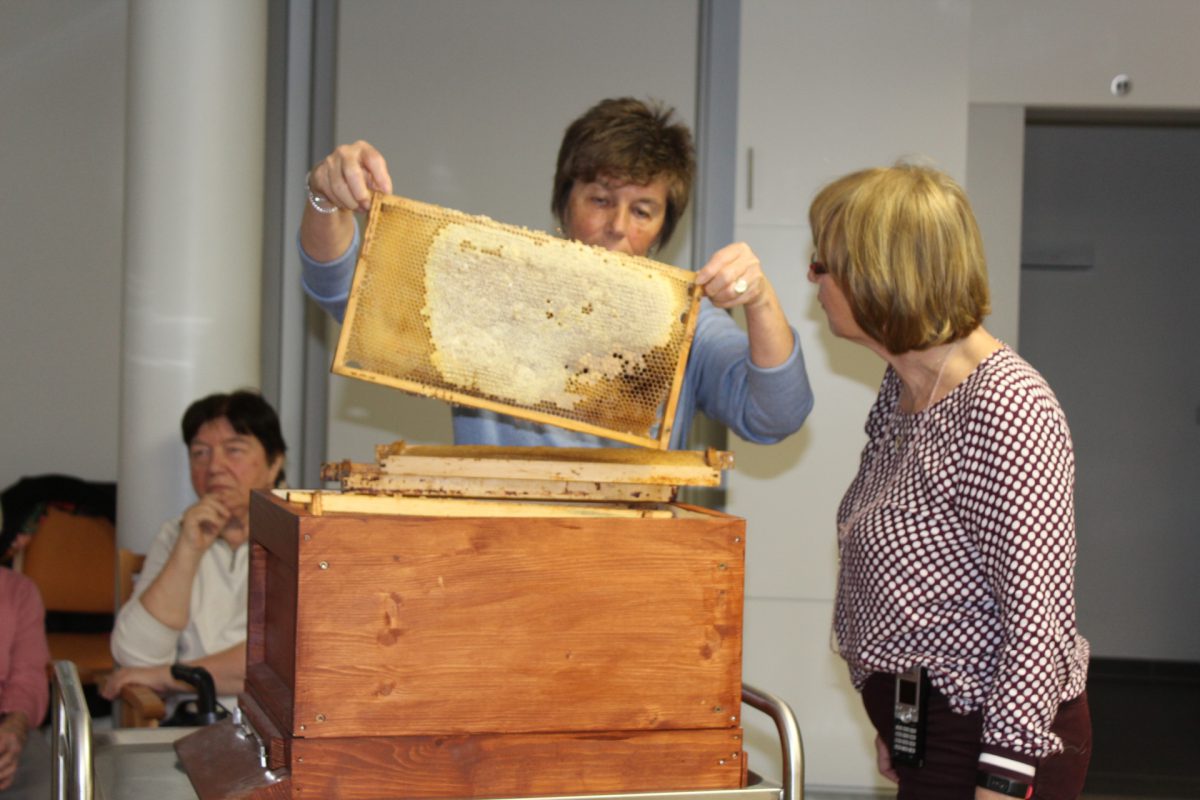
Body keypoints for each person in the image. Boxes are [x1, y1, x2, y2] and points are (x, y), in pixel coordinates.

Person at [299, 97, 813, 448]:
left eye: (642, 210)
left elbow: (776, 415)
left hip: (633, 568)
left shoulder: (688, 327)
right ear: (565, 203)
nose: (616, 227)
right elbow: (344, 289)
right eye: (600, 199)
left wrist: (761, 299)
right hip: (497, 559)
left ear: (662, 228)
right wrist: (327, 197)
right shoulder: (493, 290)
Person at [808, 163, 1091, 799]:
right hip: (931, 729)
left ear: (879, 276)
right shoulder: (905, 389)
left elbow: (1034, 619)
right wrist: (901, 721)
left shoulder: (1007, 405)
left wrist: (1001, 778)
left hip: (992, 744)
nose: (813, 280)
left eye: (822, 264)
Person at [103, 390, 286, 706]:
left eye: (234, 450)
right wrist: (187, 550)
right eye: (200, 453)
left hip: (270, 729)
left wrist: (169, 677)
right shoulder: (178, 533)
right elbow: (135, 654)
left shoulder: (299, 537)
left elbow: (278, 663)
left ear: (273, 463)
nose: (214, 466)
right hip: (190, 724)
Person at [0, 526, 51, 796]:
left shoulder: (18, 592)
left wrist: (14, 729)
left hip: (4, 727)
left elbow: (29, 675)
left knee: (46, 786)